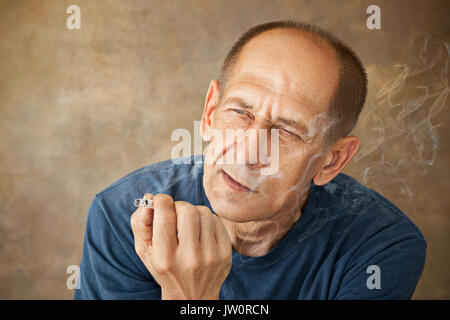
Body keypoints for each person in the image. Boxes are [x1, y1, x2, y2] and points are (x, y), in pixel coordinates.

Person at [74, 20, 426, 300]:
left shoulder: (379, 247)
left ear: (331, 161)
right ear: (210, 112)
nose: (247, 152)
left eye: (287, 131)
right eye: (240, 112)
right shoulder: (126, 217)